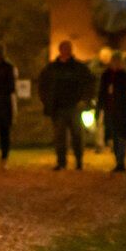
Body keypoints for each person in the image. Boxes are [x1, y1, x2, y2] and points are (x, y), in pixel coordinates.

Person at [37, 40, 95, 171]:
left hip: (74, 107)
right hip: (59, 108)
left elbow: (89, 83)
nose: (65, 51)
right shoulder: (52, 69)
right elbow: (43, 85)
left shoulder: (79, 68)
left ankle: (78, 160)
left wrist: (84, 100)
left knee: (77, 135)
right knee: (60, 137)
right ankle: (61, 162)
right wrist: (47, 101)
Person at [98, 54, 126, 172]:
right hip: (111, 110)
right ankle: (118, 160)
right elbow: (102, 92)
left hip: (122, 111)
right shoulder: (106, 75)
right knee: (115, 136)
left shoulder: (124, 75)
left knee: (121, 136)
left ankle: (121, 161)